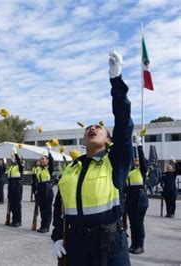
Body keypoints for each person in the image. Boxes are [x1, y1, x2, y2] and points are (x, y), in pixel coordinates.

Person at [52, 50, 132, 265]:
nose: (93, 128)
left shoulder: (115, 162)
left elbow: (124, 123)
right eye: (89, 128)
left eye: (99, 128)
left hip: (108, 241)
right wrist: (57, 235)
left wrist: (116, 81)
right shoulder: (72, 169)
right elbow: (59, 205)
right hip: (76, 242)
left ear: (108, 140)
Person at [125, 135, 149, 254]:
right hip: (130, 196)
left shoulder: (142, 170)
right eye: (135, 159)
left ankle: (140, 245)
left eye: (138, 159)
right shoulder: (129, 172)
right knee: (132, 222)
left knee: (138, 222)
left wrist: (139, 145)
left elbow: (143, 161)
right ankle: (134, 244)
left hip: (140, 196)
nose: (136, 160)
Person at [35, 146, 54, 233]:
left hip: (47, 188)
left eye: (43, 159)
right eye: (41, 159)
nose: (41, 160)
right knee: (42, 209)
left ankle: (46, 226)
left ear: (47, 161)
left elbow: (52, 162)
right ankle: (42, 225)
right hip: (40, 188)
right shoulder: (39, 169)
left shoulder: (49, 169)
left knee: (47, 209)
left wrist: (49, 152)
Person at [6, 146, 25, 227]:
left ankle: (18, 221)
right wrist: (13, 156)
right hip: (11, 184)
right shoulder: (12, 166)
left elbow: (19, 163)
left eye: (17, 158)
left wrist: (16, 154)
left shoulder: (20, 166)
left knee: (17, 203)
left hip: (17, 184)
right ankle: (14, 220)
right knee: (12, 203)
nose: (14, 158)